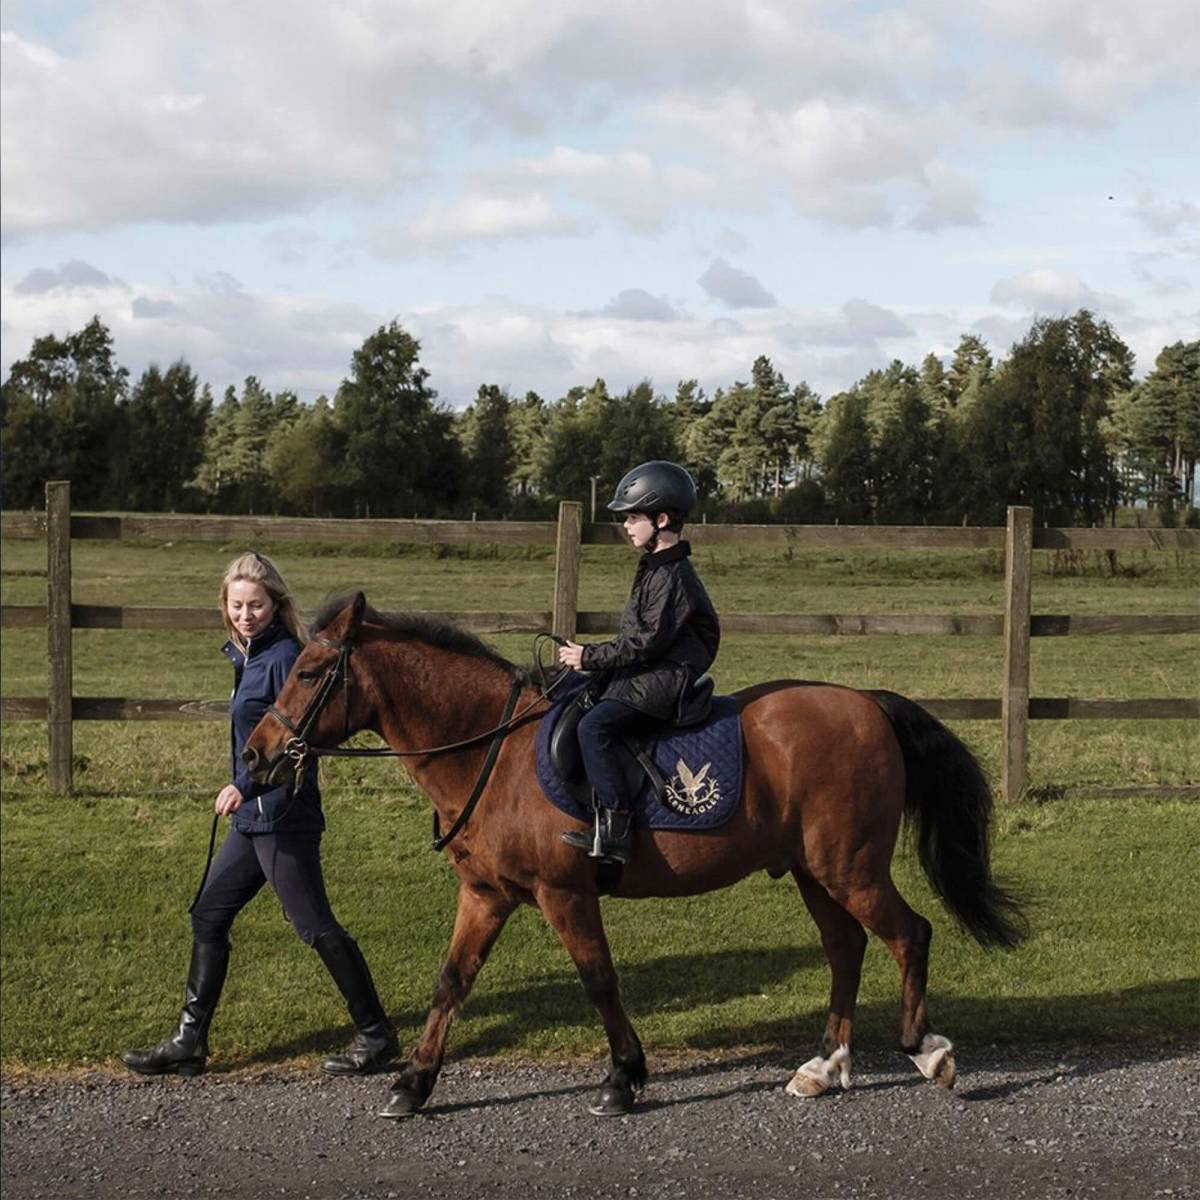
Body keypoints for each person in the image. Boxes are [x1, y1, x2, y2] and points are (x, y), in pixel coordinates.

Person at [119, 552, 398, 1078]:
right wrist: (245, 794)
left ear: (277, 605)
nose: (247, 614)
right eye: (238, 604)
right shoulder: (247, 654)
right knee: (209, 913)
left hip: (283, 814)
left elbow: (293, 738)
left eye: (257, 605)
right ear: (225, 606)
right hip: (254, 819)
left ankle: (378, 1035)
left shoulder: (284, 659)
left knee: (313, 925)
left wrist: (242, 786)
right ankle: (189, 1043)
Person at [557, 461, 721, 864]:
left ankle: (617, 825)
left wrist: (589, 657)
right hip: (649, 670)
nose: (626, 525)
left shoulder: (672, 577)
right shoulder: (657, 568)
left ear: (661, 519)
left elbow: (646, 642)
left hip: (664, 678)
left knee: (595, 727)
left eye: (633, 517)